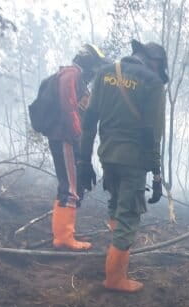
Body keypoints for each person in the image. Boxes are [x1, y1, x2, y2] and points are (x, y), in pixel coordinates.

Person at [78, 40, 168, 293]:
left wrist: (84, 160)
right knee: (128, 215)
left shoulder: (104, 73)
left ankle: (116, 261)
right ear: (155, 62)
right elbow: (154, 134)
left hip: (107, 156)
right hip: (134, 161)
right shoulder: (152, 83)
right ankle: (115, 278)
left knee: (116, 206)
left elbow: (88, 121)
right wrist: (158, 174)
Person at [48, 44, 107, 251]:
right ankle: (64, 238)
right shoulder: (71, 74)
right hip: (66, 138)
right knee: (71, 188)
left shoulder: (74, 76)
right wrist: (77, 135)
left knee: (69, 185)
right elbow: (68, 106)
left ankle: (64, 234)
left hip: (67, 137)